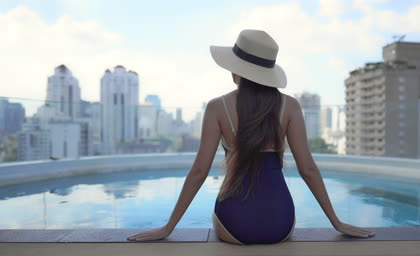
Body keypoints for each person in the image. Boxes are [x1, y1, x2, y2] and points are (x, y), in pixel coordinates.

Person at [127, 29, 375, 244]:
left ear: (237, 69)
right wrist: (336, 222)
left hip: (234, 224)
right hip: (280, 223)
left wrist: (168, 227)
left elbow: (199, 171)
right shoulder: (290, 106)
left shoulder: (217, 108)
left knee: (220, 213)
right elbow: (308, 169)